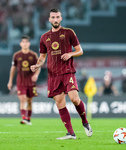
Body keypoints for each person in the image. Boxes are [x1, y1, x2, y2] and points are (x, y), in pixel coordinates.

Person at [30, 8, 92, 140]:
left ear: (61, 18)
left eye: (57, 17)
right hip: (53, 75)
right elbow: (42, 58)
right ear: (49, 19)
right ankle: (71, 133)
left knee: (74, 98)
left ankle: (85, 122)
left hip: (67, 72)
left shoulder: (69, 32)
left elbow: (80, 51)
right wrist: (37, 65)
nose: (55, 19)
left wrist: (70, 53)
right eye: (53, 17)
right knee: (59, 103)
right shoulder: (44, 37)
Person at [7, 35, 40, 125]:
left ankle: (28, 119)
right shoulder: (16, 55)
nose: (25, 44)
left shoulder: (33, 55)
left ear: (29, 44)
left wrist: (36, 75)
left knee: (29, 100)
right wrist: (10, 81)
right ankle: (24, 118)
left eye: (26, 42)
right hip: (20, 81)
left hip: (31, 81)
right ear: (20, 44)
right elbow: (13, 68)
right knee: (23, 99)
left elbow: (38, 67)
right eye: (23, 42)